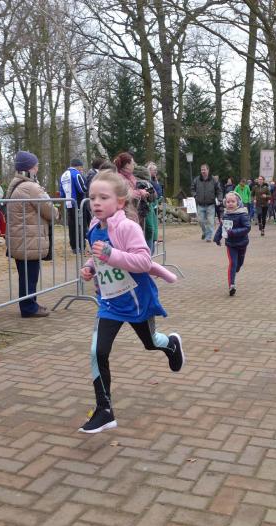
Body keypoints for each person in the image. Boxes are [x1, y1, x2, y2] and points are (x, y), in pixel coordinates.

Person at [78, 170, 184, 433]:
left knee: (151, 342)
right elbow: (99, 256)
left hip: (136, 301)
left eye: (103, 197)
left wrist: (111, 255)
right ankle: (104, 410)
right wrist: (90, 267)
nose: (96, 203)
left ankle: (171, 345)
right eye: (93, 197)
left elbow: (143, 262)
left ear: (120, 202)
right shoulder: (94, 228)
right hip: (109, 303)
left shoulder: (128, 227)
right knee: (97, 352)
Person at [6, 151, 56, 318]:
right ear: (30, 168)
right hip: (29, 239)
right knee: (30, 276)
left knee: (26, 275)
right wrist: (56, 213)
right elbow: (48, 209)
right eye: (36, 166)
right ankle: (28, 307)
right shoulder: (30, 187)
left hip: (21, 238)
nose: (37, 168)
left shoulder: (15, 184)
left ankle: (30, 303)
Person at [214, 191, 250, 296]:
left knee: (239, 263)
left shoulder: (242, 214)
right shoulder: (225, 215)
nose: (230, 204)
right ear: (225, 203)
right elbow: (222, 227)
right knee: (232, 263)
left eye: (233, 201)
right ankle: (231, 285)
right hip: (231, 244)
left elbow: (247, 228)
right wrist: (217, 238)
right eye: (228, 202)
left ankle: (237, 268)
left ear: (238, 203)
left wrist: (233, 232)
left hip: (242, 243)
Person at [59, 158, 87, 253]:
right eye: (81, 167)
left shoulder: (63, 175)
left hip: (68, 203)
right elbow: (82, 189)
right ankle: (81, 246)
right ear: (78, 166)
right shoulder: (76, 174)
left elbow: (62, 192)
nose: (82, 169)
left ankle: (74, 246)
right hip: (78, 203)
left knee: (72, 225)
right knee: (80, 224)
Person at [191, 163, 221, 242]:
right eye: (202, 170)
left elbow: (219, 190)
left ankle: (209, 237)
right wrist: (195, 196)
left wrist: (219, 199)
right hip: (200, 204)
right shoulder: (197, 179)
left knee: (210, 222)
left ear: (208, 170)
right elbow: (192, 189)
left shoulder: (213, 180)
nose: (203, 171)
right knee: (201, 221)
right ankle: (205, 232)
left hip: (210, 204)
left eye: (204, 169)